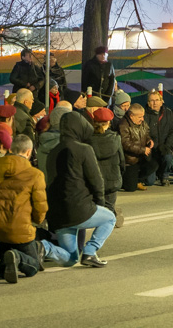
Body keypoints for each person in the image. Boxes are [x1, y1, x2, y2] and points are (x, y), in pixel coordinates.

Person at [43, 111, 115, 267]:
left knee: (70, 258)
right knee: (110, 218)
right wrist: (99, 203)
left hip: (58, 212)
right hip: (79, 207)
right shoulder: (84, 149)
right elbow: (96, 181)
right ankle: (90, 252)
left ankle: (43, 247)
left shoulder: (52, 152)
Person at [0, 135, 47, 283]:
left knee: (5, 247)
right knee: (33, 266)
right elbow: (40, 206)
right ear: (29, 152)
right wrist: (36, 221)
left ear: (11, 149)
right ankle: (17, 257)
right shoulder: (35, 175)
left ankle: (5, 264)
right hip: (20, 229)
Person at [89, 108, 125, 224]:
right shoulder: (115, 138)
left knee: (97, 204)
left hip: (94, 179)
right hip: (112, 178)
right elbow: (122, 160)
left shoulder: (87, 140)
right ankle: (107, 222)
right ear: (109, 122)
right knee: (109, 205)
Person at [119, 104, 157, 192]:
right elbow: (125, 144)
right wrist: (143, 150)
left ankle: (138, 180)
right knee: (130, 188)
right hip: (129, 160)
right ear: (131, 116)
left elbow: (147, 133)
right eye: (140, 117)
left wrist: (149, 140)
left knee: (154, 164)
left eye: (143, 116)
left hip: (141, 157)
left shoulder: (142, 123)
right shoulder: (123, 125)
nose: (142, 119)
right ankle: (127, 180)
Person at [145, 91, 173, 186]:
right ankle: (155, 172)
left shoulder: (168, 113)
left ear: (161, 101)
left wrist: (167, 145)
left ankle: (165, 175)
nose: (155, 103)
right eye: (152, 100)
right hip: (151, 150)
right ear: (148, 103)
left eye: (157, 100)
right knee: (149, 182)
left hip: (164, 147)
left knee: (168, 156)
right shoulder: (144, 114)